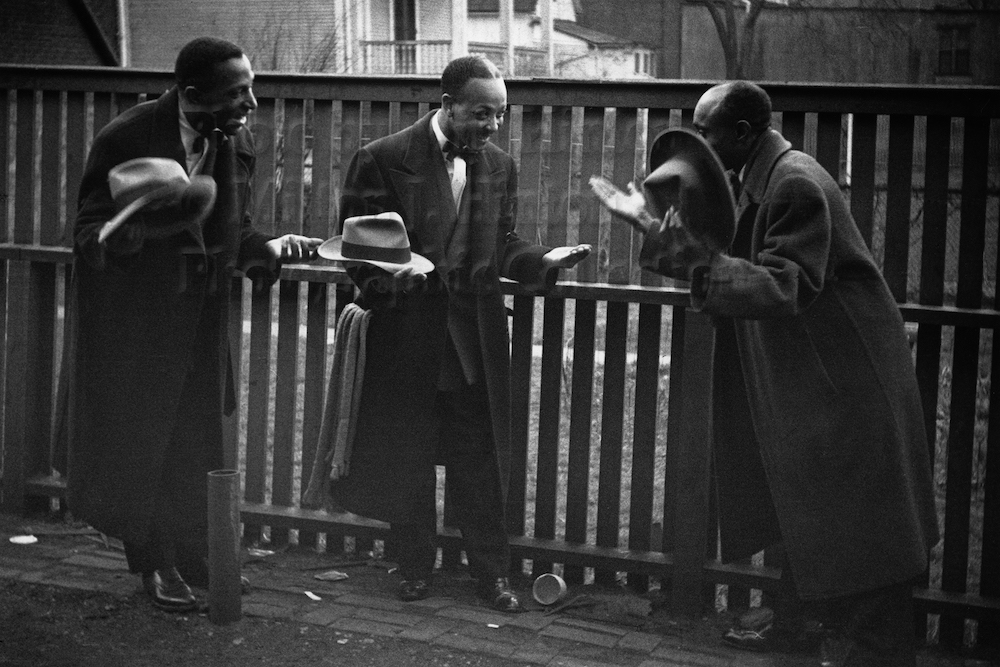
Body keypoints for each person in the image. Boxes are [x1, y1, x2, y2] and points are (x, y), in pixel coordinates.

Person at [591, 81, 939, 666]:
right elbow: (720, 256)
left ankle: (869, 650)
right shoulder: (761, 175)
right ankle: (803, 631)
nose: (701, 142)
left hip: (845, 385)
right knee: (821, 520)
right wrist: (650, 227)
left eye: (707, 131)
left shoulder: (794, 182)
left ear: (743, 134)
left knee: (865, 540)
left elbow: (783, 284)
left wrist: (662, 237)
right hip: (818, 379)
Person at [323, 55, 591, 612]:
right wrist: (394, 287)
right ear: (447, 106)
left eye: (500, 114)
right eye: (481, 114)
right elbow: (358, 252)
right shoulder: (382, 159)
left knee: (479, 462)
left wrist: (544, 258)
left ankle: (491, 577)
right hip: (408, 338)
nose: (492, 126)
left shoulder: (499, 165)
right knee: (409, 455)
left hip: (475, 343)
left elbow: (503, 244)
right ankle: (414, 568)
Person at [66, 36, 323, 613]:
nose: (251, 102)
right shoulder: (126, 137)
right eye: (237, 92)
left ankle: (194, 556)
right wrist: (126, 236)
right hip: (138, 326)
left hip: (201, 321)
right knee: (145, 443)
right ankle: (156, 566)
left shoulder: (237, 140)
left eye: (250, 88)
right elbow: (88, 234)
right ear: (191, 94)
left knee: (195, 443)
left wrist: (270, 247)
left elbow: (235, 233)